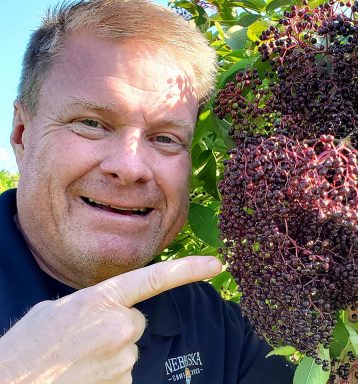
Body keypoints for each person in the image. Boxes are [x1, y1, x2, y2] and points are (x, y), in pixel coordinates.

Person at [0, 0, 295, 382]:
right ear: (23, 135)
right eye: (91, 123)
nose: (131, 168)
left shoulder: (220, 328)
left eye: (165, 138)